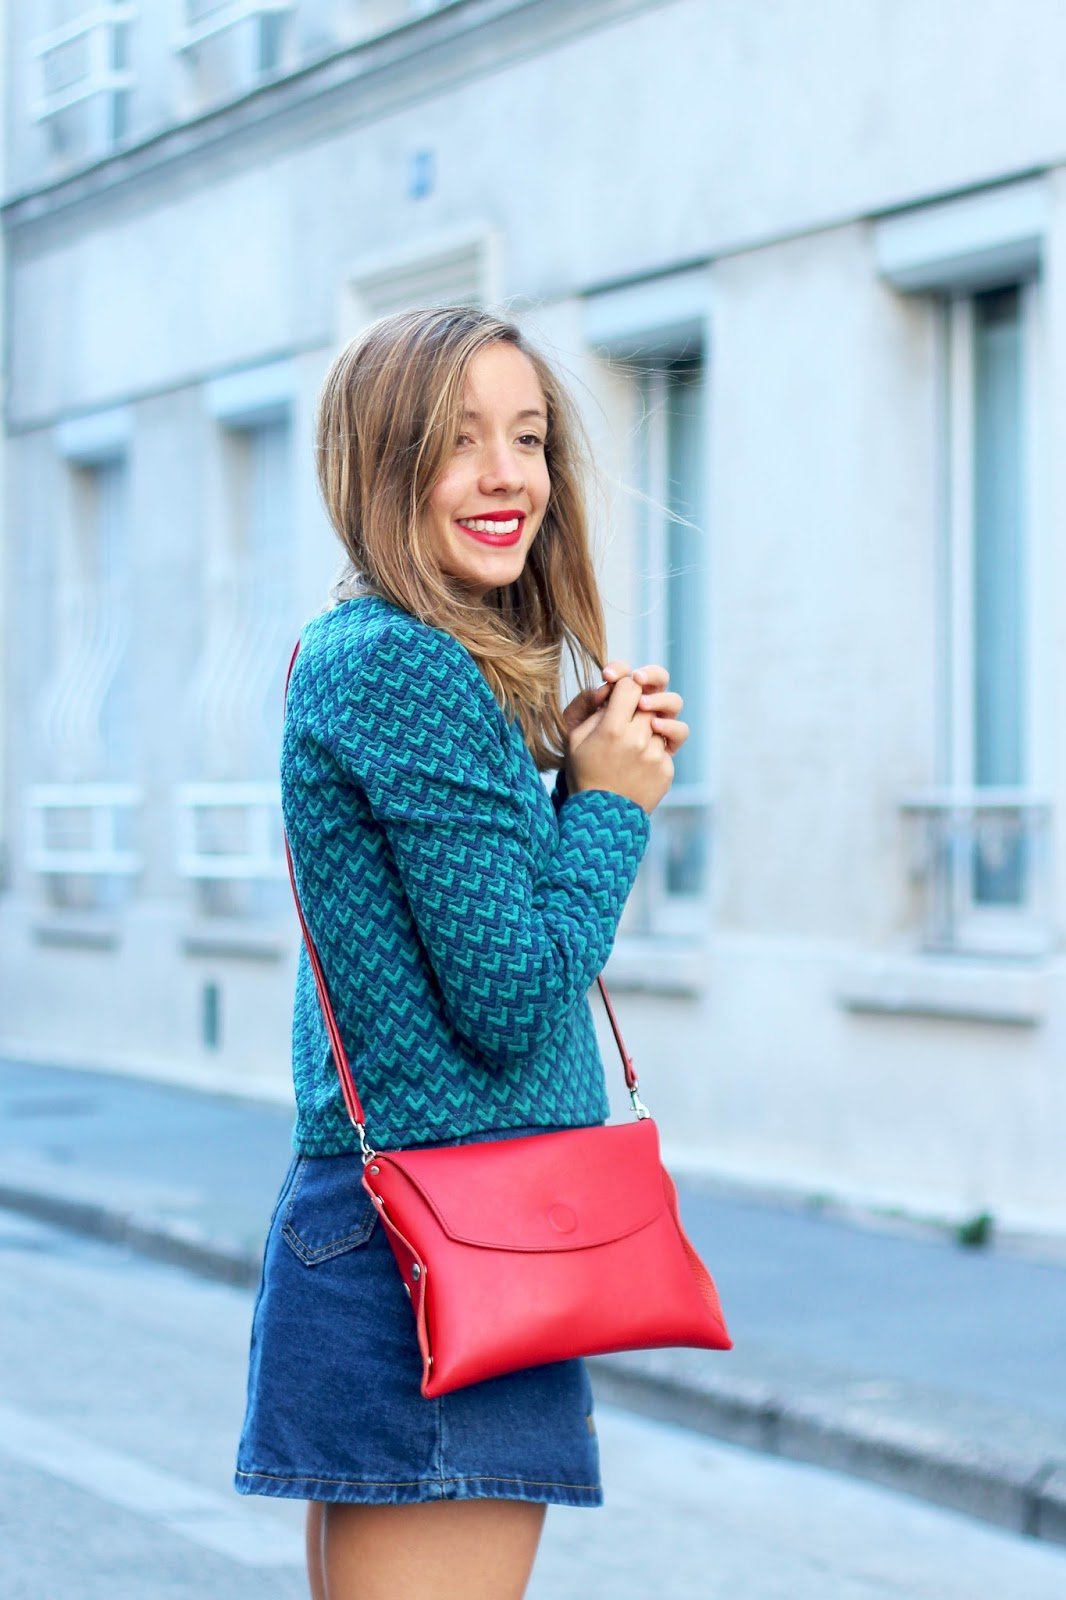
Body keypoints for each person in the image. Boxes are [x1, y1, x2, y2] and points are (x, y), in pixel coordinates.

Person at [234, 306, 688, 1600]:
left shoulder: (383, 657)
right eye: (458, 441)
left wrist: (571, 782)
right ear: (379, 466)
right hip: (447, 1243)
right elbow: (510, 993)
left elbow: (455, 947)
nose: (508, 476)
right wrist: (607, 804)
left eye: (529, 438)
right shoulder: (404, 667)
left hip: (412, 1229)